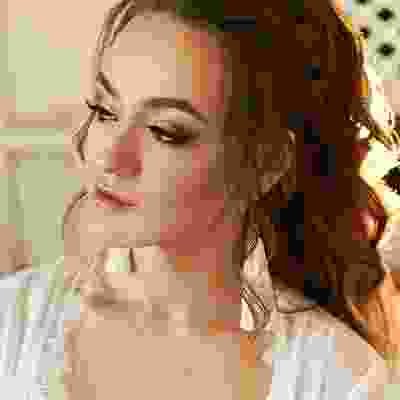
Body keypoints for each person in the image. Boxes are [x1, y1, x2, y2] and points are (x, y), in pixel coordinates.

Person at [1, 1, 400, 399]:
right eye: (105, 111)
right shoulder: (11, 323)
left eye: (165, 131)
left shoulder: (339, 380)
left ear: (267, 162)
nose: (110, 156)